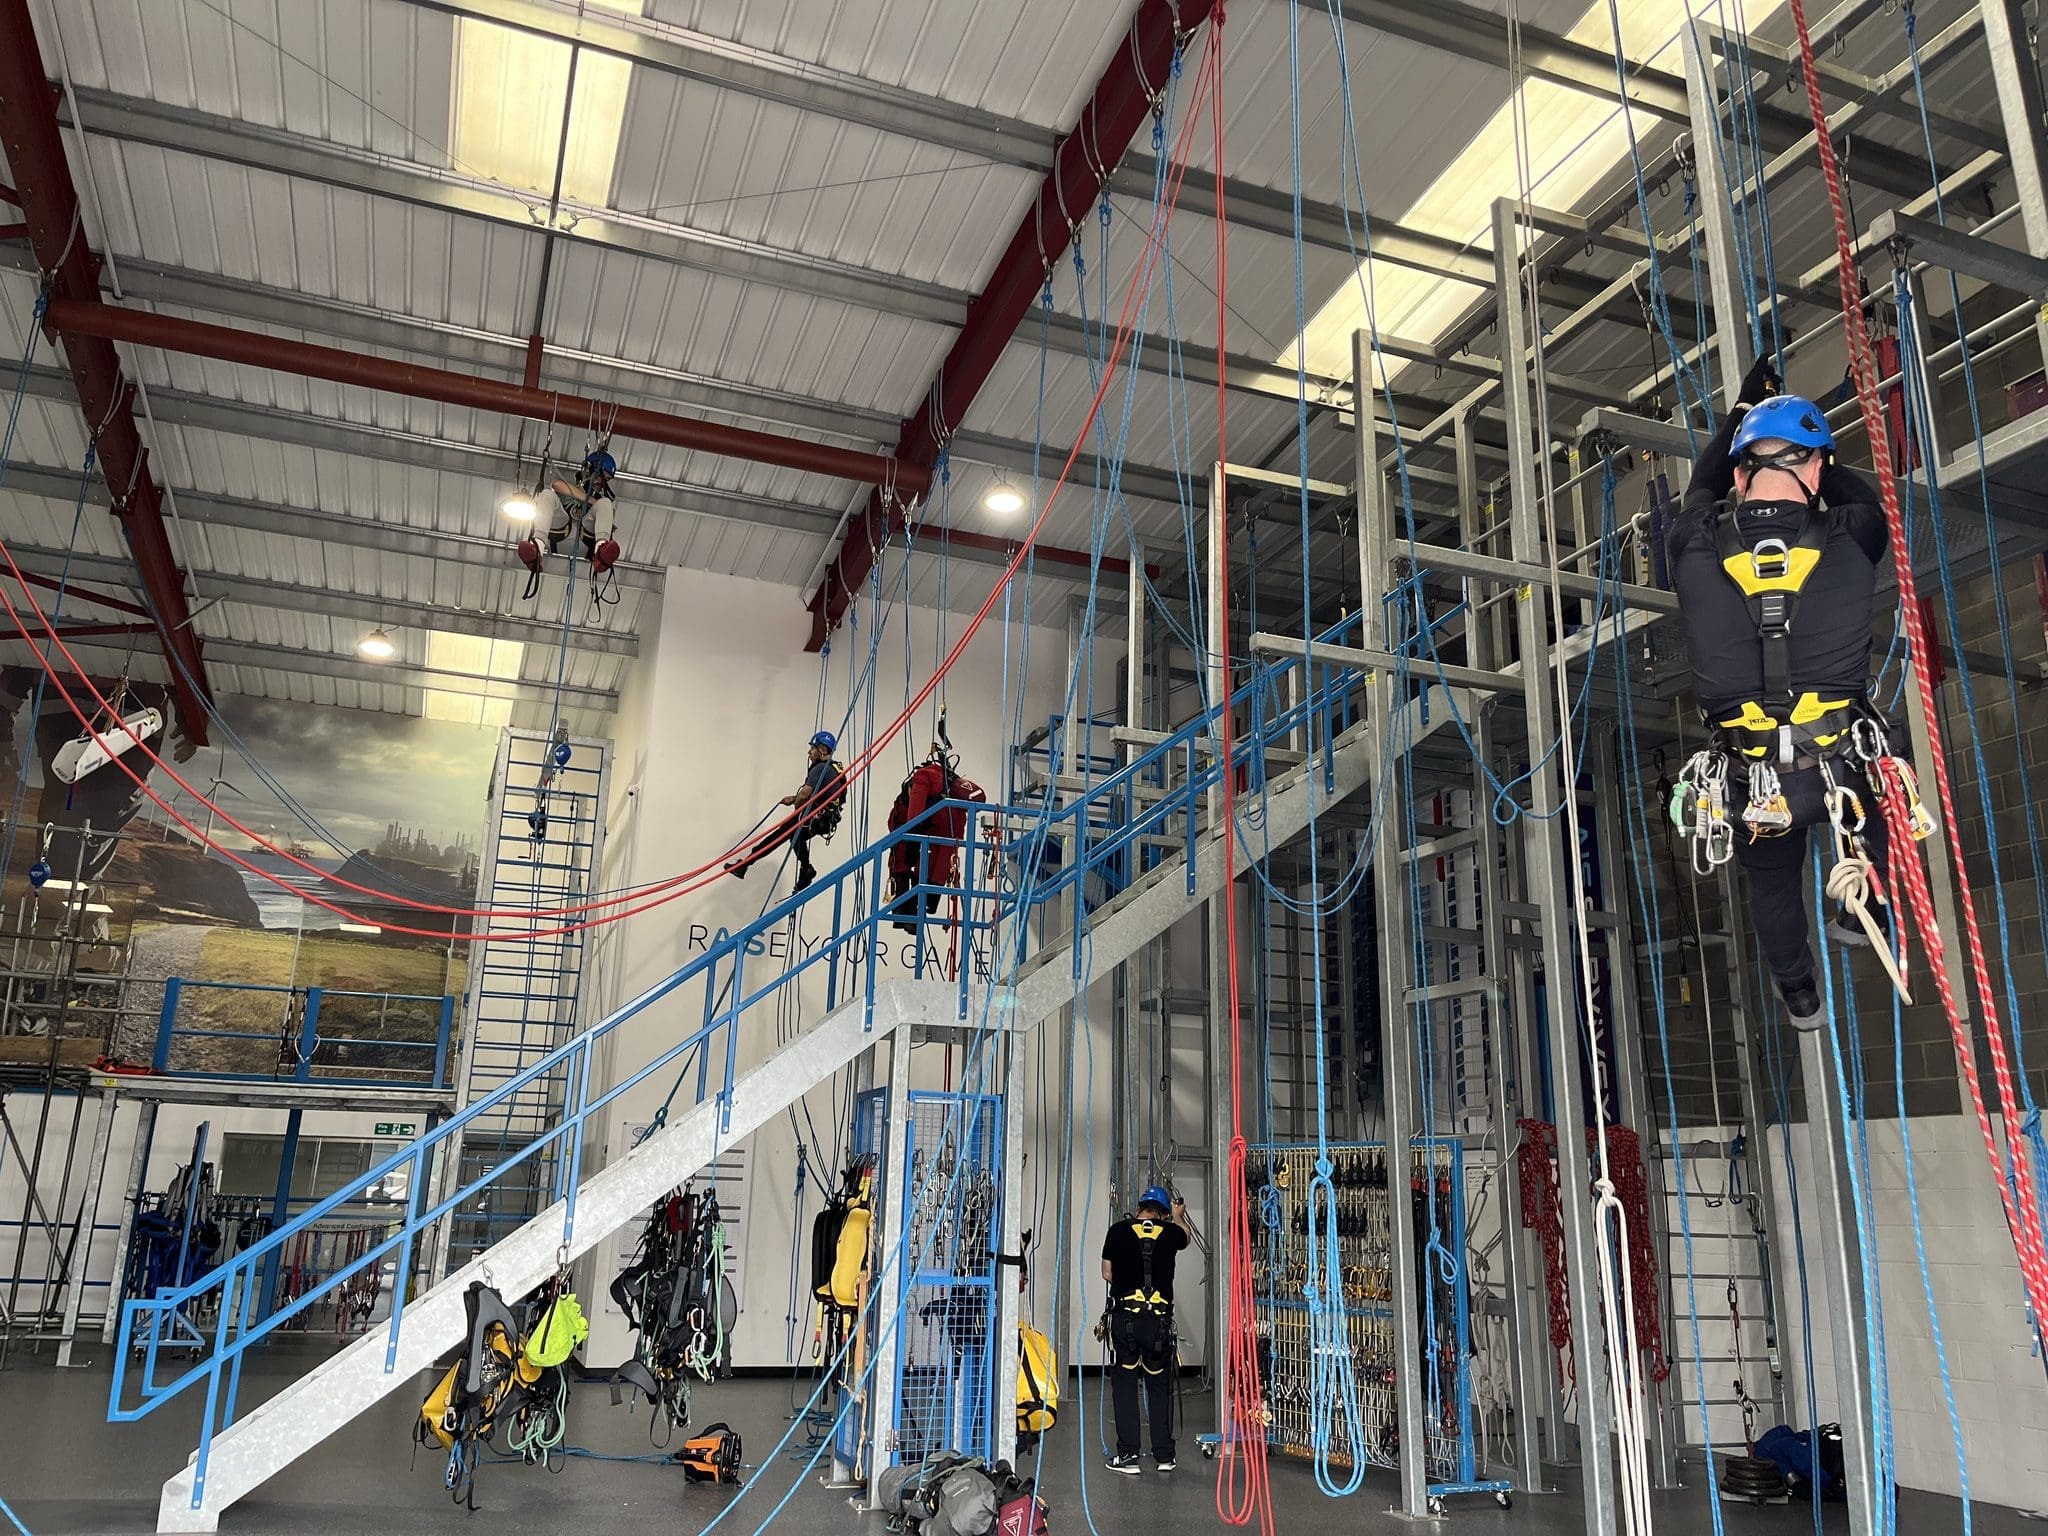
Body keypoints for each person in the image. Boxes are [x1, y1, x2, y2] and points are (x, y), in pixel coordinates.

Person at [1667, 357, 1908, 1029]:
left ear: (1740, 475)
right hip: (1839, 771)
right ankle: (1866, 913)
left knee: (1771, 880)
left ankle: (1799, 992)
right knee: (1883, 790)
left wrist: (1743, 416)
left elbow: (1698, 489)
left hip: (1754, 783)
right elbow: (1856, 494)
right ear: (1817, 470)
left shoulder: (1691, 543)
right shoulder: (1854, 534)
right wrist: (1812, 461)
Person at [1100, 1185, 1190, 1474]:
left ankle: (1128, 1456)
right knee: (1159, 1385)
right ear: (1163, 1212)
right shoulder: (1171, 1232)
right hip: (1159, 1324)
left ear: (1139, 1208)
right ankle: (1164, 1455)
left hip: (1126, 1320)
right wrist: (1178, 1216)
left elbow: (1106, 1272)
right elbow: (1185, 1236)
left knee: (1125, 1386)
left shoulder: (1117, 1231)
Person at [884, 733, 985, 933]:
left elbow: (913, 818)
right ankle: (916, 911)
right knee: (926, 871)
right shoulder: (951, 789)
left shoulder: (924, 777)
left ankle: (906, 915)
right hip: (944, 846)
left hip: (917, 836)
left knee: (903, 863)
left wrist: (912, 837)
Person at [726, 731, 845, 892]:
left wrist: (798, 808)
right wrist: (794, 799)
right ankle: (805, 869)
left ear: (823, 749)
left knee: (779, 835)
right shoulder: (831, 768)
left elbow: (805, 794)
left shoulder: (820, 769)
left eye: (812, 748)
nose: (809, 752)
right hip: (824, 818)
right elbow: (813, 795)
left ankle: (746, 864)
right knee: (793, 836)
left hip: (817, 817)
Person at [516, 450, 622, 597]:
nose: (600, 483)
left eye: (606, 479)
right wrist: (590, 500)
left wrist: (602, 511)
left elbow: (606, 509)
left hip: (585, 541)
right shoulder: (574, 490)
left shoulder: (602, 502)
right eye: (600, 477)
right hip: (560, 534)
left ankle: (601, 551)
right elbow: (557, 485)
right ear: (589, 470)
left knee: (605, 503)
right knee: (547, 494)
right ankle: (537, 548)